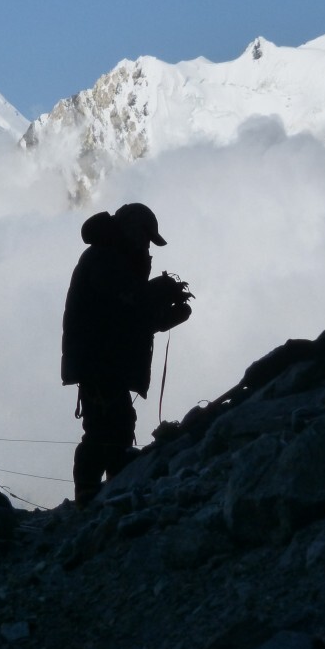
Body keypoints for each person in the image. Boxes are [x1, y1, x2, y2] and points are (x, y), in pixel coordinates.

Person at [61, 203, 192, 508]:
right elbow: (125, 302)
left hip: (104, 361)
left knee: (113, 425)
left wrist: (165, 316)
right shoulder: (105, 258)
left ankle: (103, 495)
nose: (147, 246)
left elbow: (129, 314)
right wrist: (159, 292)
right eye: (145, 238)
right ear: (132, 231)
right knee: (107, 427)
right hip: (100, 363)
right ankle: (93, 498)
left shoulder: (111, 258)